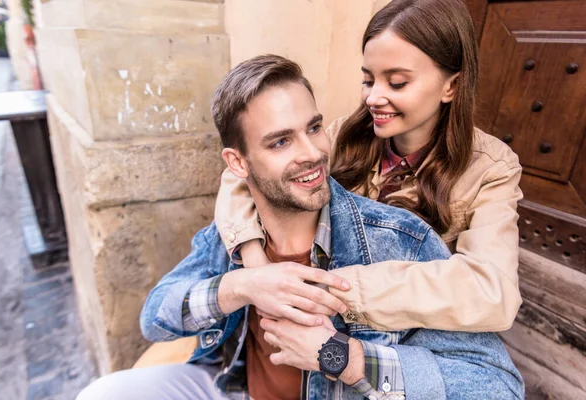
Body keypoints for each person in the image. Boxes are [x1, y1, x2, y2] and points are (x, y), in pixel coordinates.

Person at [77, 55, 523, 400]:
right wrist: (241, 285)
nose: (311, 152)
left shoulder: (396, 240)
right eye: (281, 141)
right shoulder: (233, 230)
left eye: (314, 127)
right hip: (233, 386)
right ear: (238, 163)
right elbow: (155, 316)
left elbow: (498, 386)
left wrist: (343, 358)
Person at [215, 0, 523, 333]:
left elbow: (494, 292)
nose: (373, 98)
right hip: (318, 322)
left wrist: (338, 289)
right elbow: (244, 174)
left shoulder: (491, 168)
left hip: (400, 340)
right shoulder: (342, 134)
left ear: (451, 86)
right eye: (368, 80)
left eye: (397, 83)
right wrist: (252, 260)